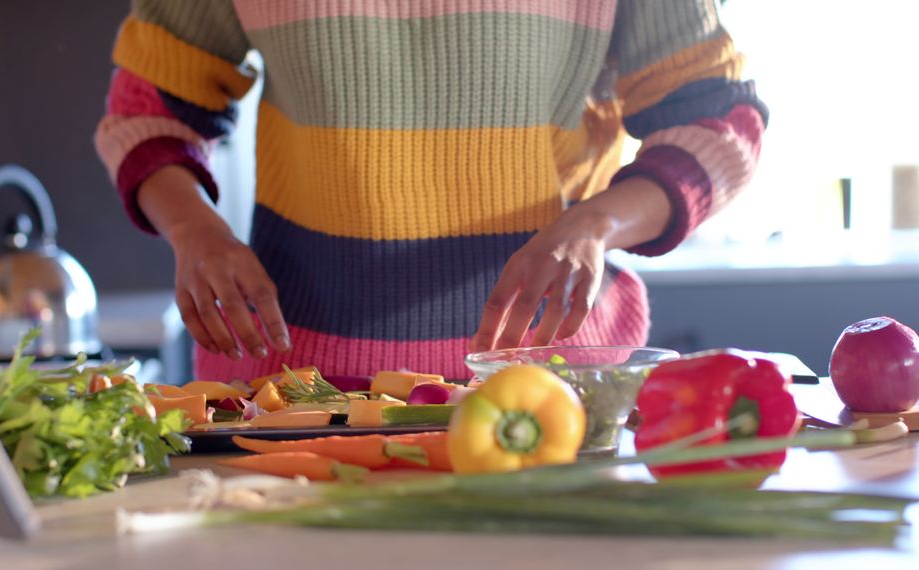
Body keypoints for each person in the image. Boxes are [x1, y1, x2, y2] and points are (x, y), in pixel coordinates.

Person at [95, 0, 766, 381]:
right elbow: (148, 110)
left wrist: (594, 226)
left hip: (549, 388)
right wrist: (193, 230)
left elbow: (717, 122)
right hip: (286, 397)